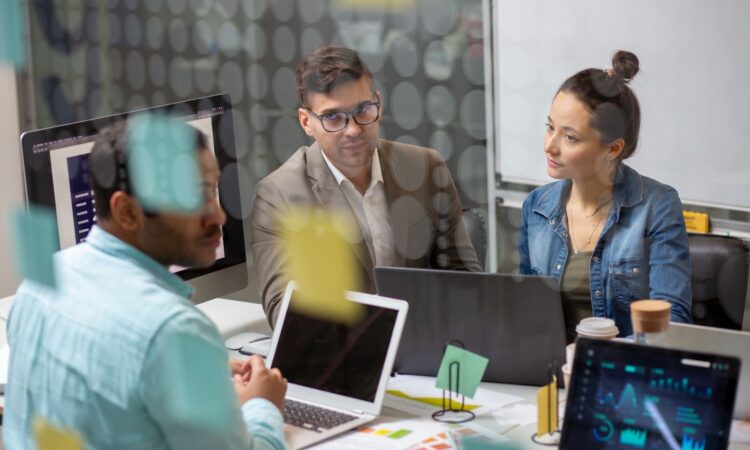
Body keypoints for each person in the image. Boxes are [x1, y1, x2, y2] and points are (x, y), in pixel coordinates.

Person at [5, 121, 288, 449]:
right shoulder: (173, 330)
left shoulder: (40, 282)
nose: (219, 216)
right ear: (126, 212)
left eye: (212, 190)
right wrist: (263, 404)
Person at [251, 45, 481, 327]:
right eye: (333, 117)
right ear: (306, 122)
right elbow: (284, 314)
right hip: (344, 358)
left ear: (379, 104)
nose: (354, 130)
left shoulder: (425, 169)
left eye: (363, 110)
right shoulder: (281, 196)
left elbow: (467, 286)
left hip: (424, 349)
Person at [518, 50, 692, 340]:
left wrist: (595, 360)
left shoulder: (657, 206)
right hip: (550, 374)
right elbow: (524, 312)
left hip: (621, 374)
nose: (550, 146)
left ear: (612, 149)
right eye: (550, 128)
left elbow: (670, 324)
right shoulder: (536, 206)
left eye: (569, 137)